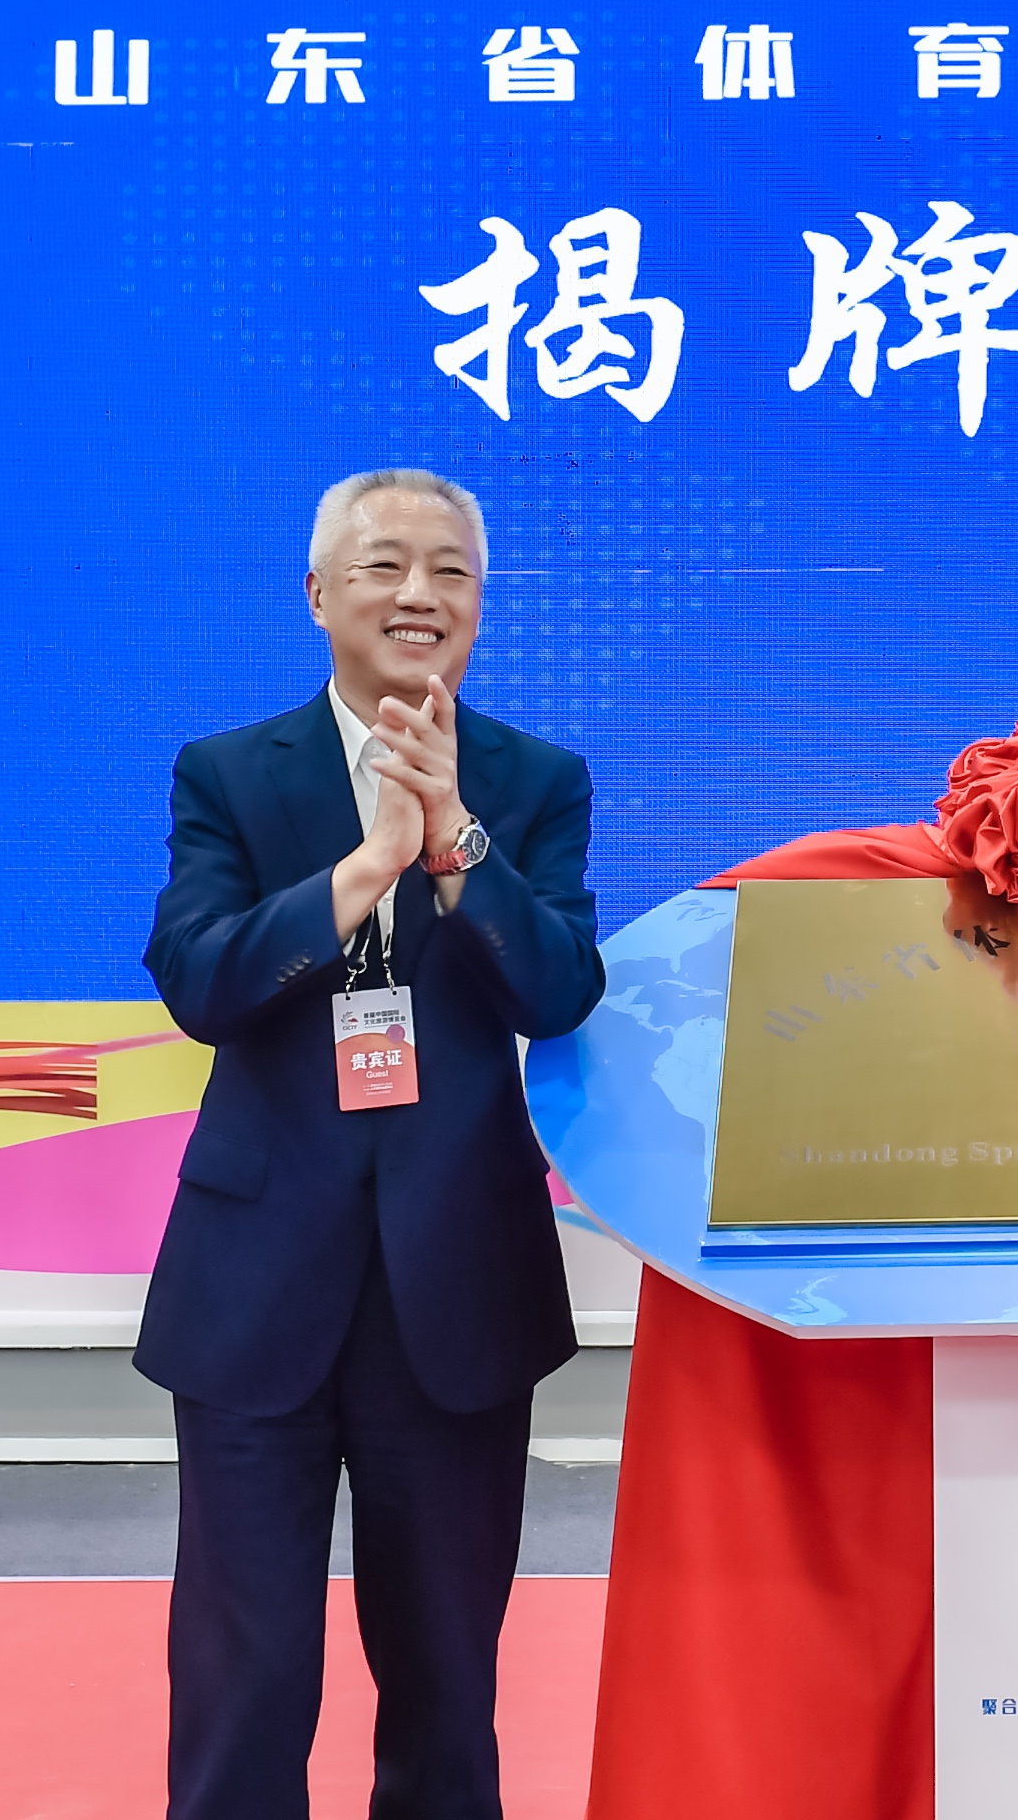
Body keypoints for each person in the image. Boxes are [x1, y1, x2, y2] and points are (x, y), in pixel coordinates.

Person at [140, 469, 607, 1820]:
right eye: (386, 565)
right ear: (319, 594)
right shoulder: (230, 771)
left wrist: (453, 844)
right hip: (254, 1283)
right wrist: (362, 872)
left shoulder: (534, 781)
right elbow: (199, 979)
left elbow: (559, 991)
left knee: (447, 1673)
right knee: (245, 1672)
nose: (421, 594)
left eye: (451, 569)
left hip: (458, 1277)